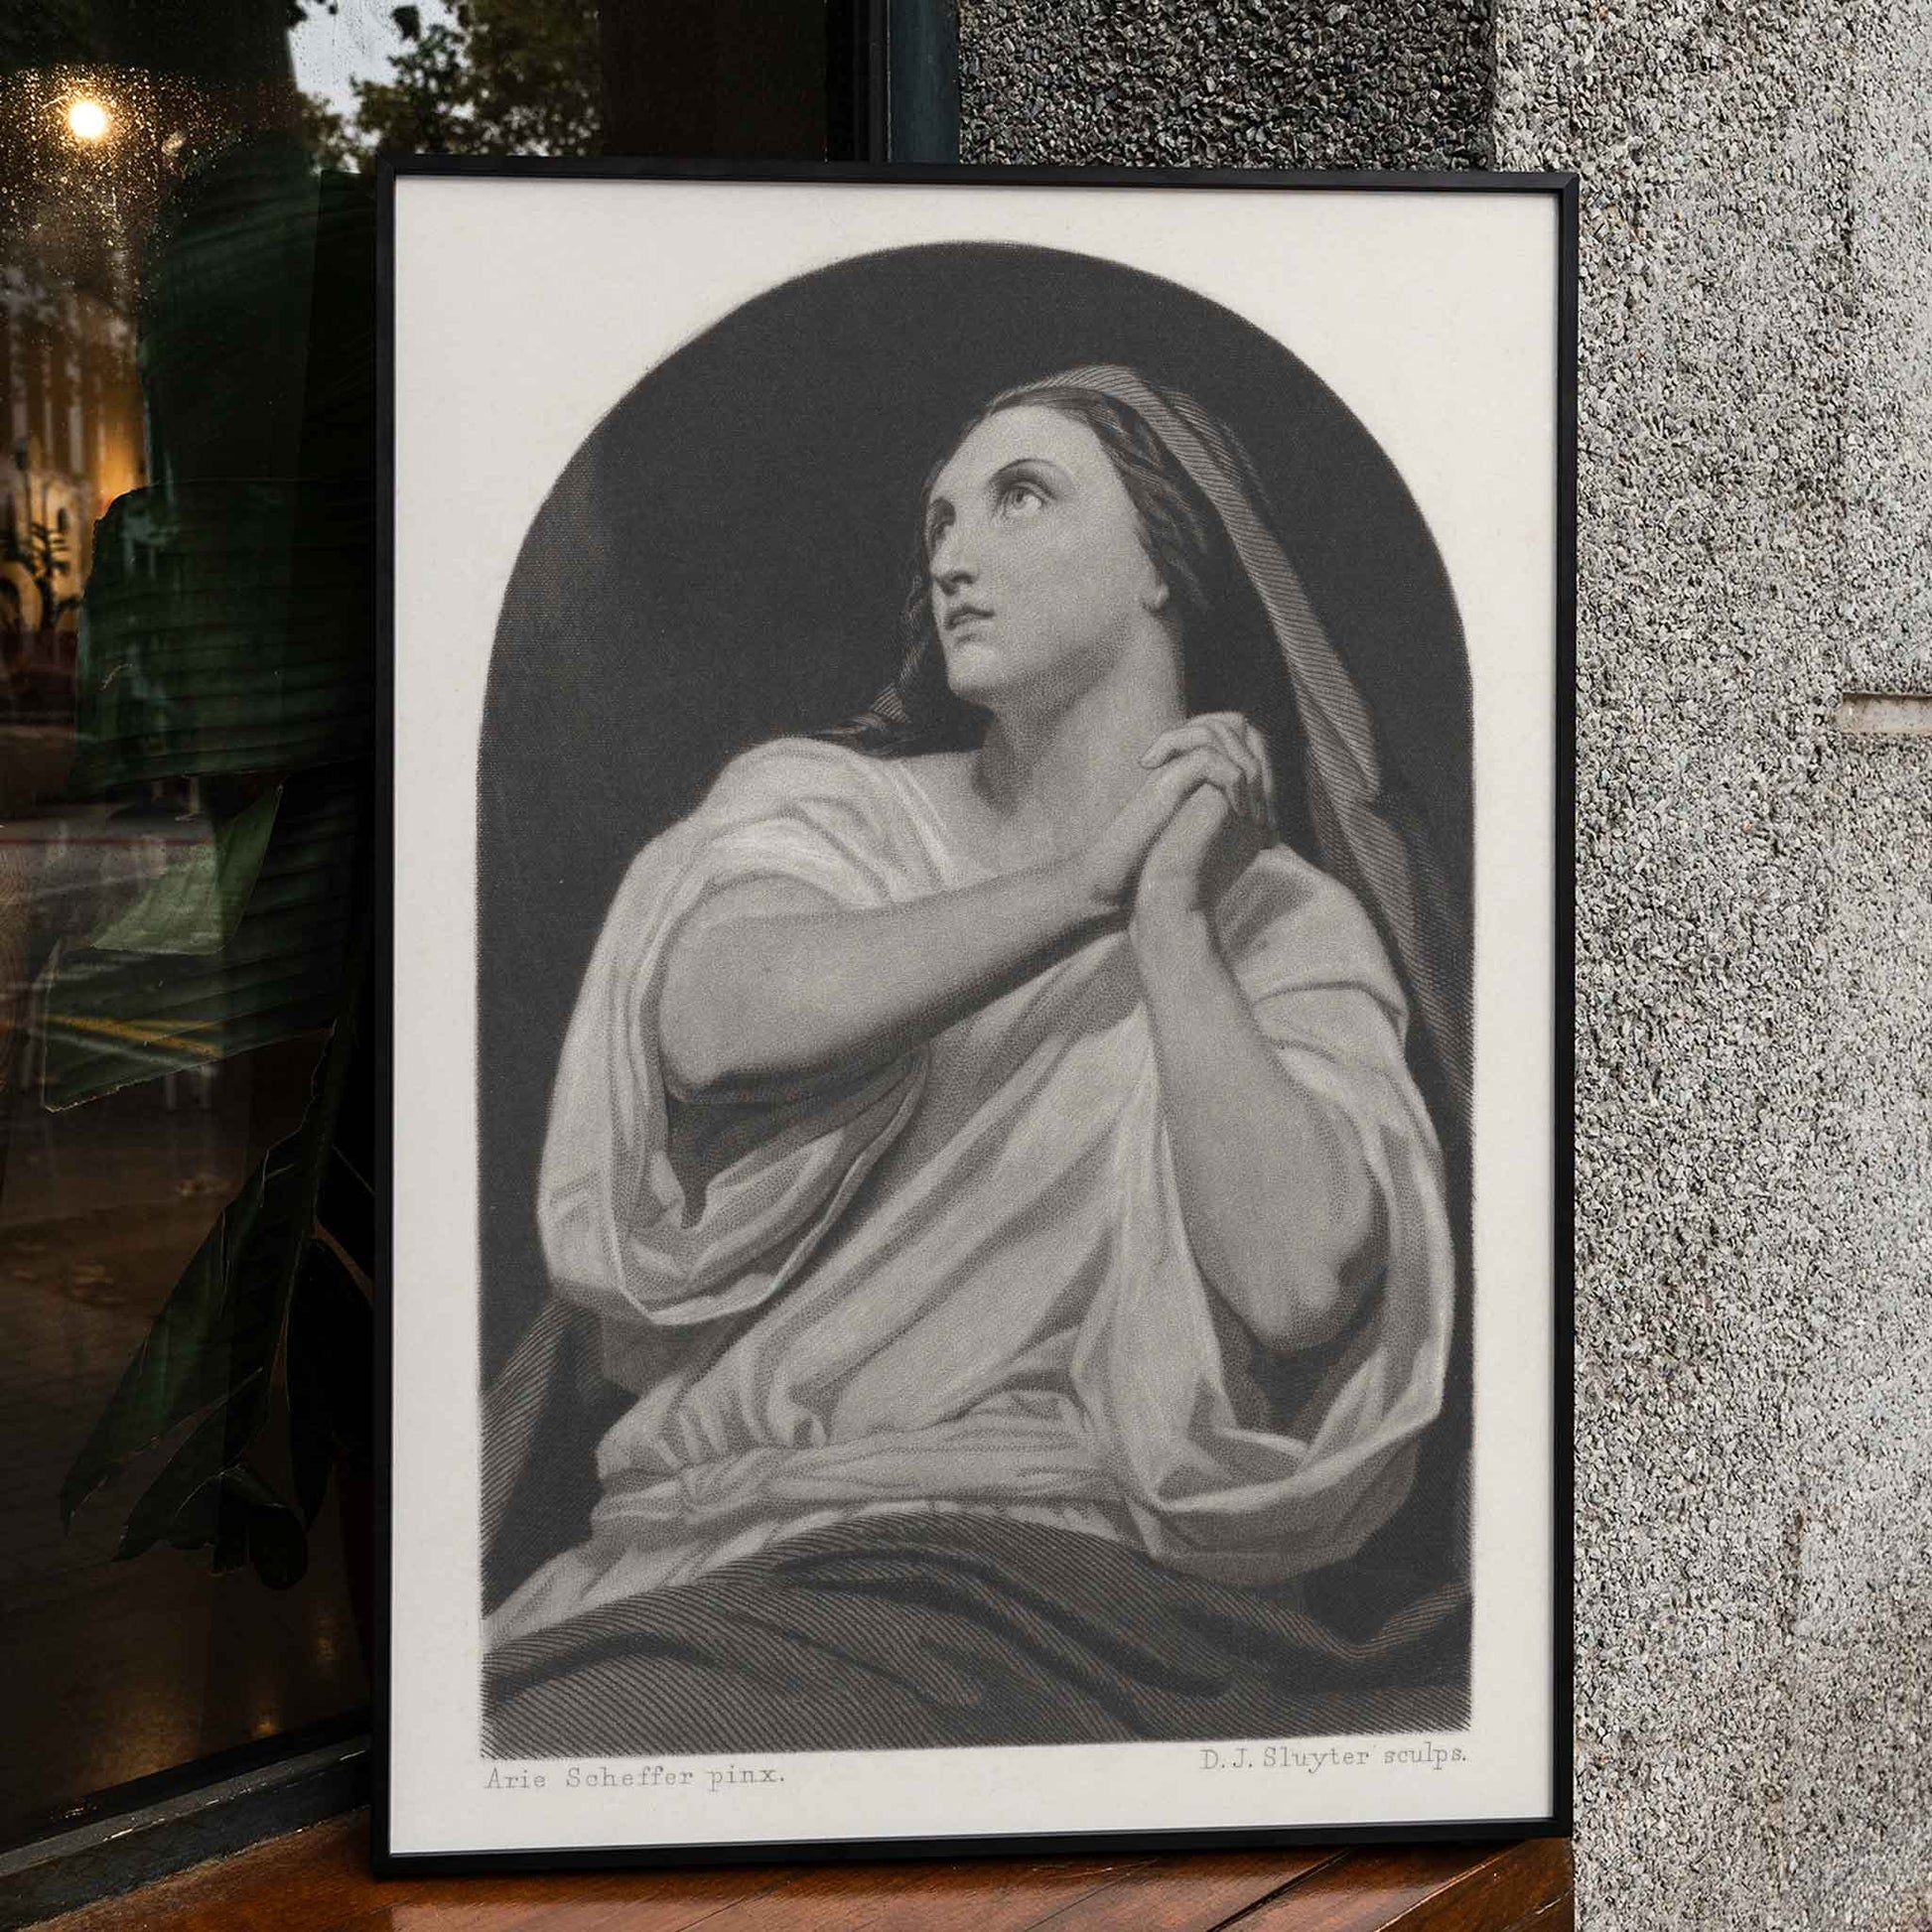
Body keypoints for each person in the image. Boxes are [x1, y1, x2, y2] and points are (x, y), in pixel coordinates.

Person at [482, 366, 1470, 1754]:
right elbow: (711, 1023)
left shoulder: (1281, 918)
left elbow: (1300, 1279)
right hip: (745, 1562)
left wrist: (1175, 931)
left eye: (1020, 498)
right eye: (940, 518)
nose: (952, 552)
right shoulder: (827, 809)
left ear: (1163, 562)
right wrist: (1088, 886)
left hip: (1091, 1588)